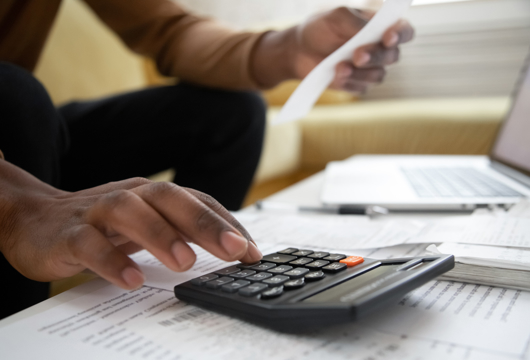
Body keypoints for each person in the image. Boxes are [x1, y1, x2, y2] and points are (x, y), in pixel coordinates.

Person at [0, 0, 414, 319]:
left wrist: (290, 48)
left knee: (234, 110)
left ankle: (199, 281)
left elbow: (168, 30)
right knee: (15, 96)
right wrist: (14, 206)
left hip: (41, 135)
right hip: (14, 132)